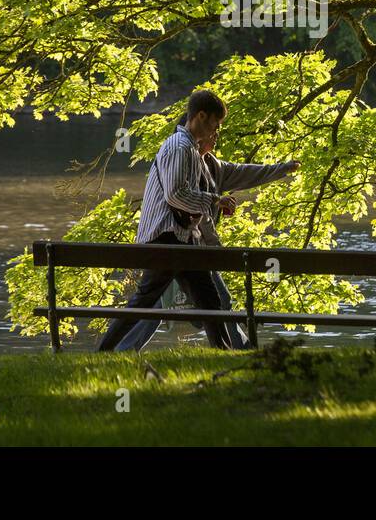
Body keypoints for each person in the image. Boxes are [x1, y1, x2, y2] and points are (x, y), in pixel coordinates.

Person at [97, 89, 298, 351]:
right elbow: (175, 194)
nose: (217, 130)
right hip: (165, 238)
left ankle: (222, 351)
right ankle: (105, 350)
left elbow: (243, 173)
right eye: (216, 123)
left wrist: (282, 169)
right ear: (201, 116)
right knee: (147, 301)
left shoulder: (196, 153)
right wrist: (215, 200)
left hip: (181, 240)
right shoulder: (179, 147)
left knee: (209, 300)